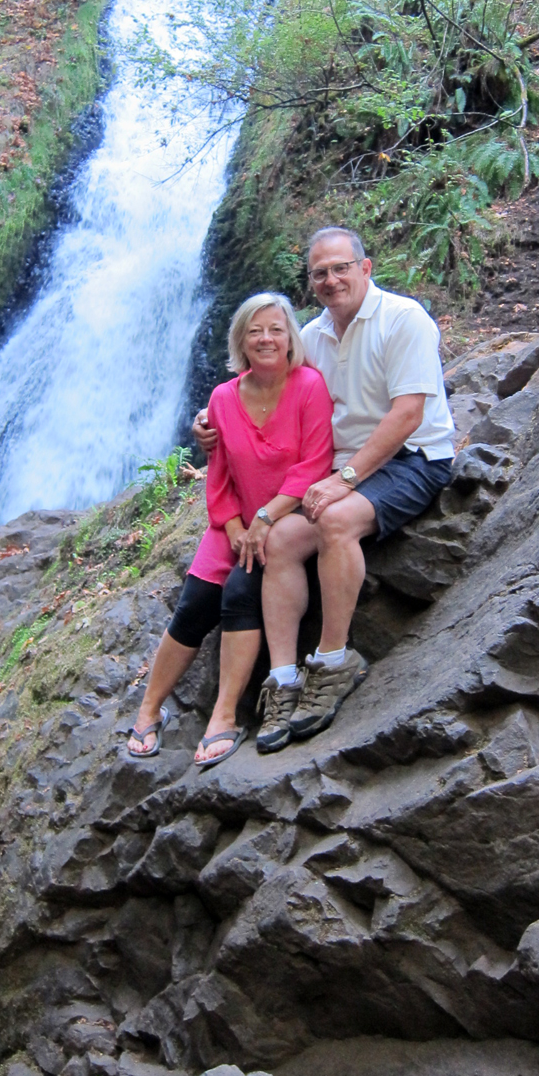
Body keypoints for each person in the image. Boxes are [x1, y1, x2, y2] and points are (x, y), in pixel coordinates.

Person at [194, 227, 454, 751]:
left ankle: (334, 662)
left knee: (335, 521)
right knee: (280, 540)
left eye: (340, 268)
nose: (331, 280)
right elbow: (261, 381)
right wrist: (210, 420)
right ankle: (285, 678)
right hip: (340, 468)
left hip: (412, 460)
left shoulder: (404, 320)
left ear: (366, 267)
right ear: (311, 282)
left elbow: (408, 414)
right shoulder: (310, 337)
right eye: (320, 273)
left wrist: (345, 479)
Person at [127, 292, 333, 767]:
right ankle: (149, 707)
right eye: (255, 330)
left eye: (276, 330)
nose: (266, 338)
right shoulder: (222, 398)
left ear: (290, 339)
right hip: (235, 523)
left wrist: (264, 521)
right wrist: (238, 525)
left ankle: (223, 716)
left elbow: (315, 464)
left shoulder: (309, 386)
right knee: (196, 600)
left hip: (287, 519)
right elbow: (218, 478)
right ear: (240, 340)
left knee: (240, 591)